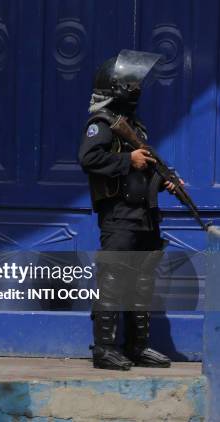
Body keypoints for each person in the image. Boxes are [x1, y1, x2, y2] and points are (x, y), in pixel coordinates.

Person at [79, 50, 179, 370]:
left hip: (144, 215)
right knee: (113, 279)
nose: (137, 89)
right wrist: (127, 160)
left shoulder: (136, 127)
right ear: (118, 88)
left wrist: (164, 182)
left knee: (142, 282)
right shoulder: (103, 123)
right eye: (132, 84)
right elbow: (89, 159)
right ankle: (104, 349)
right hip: (120, 215)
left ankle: (137, 346)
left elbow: (143, 173)